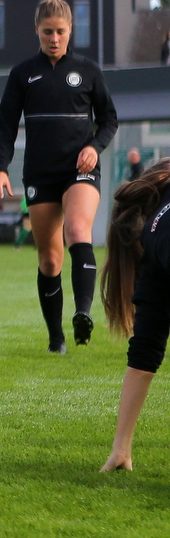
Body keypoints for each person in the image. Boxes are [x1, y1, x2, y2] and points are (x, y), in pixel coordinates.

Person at [0, 0, 118, 353]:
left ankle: (83, 313)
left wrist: (94, 146)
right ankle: (56, 338)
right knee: (49, 258)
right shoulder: (22, 74)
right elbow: (6, 126)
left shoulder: (88, 72)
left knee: (79, 229)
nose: (54, 38)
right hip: (40, 174)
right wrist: (1, 168)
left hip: (78, 169)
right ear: (37, 30)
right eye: (48, 31)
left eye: (60, 31)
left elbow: (109, 119)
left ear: (70, 30)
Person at [99, 160, 170, 472]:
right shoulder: (158, 241)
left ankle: (122, 452)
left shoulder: (156, 240)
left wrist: (121, 446)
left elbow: (143, 357)